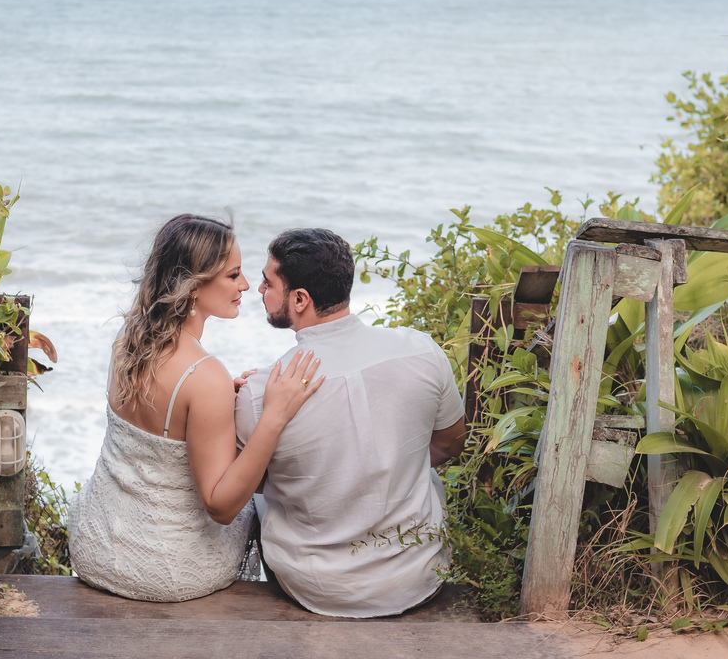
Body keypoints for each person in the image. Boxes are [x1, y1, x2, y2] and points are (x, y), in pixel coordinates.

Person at [67, 214, 324, 602]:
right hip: (165, 570)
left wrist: (218, 400)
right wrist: (274, 416)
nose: (245, 286)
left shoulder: (130, 338)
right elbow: (220, 507)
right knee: (260, 502)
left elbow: (159, 420)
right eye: (233, 275)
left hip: (94, 546)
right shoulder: (205, 377)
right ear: (193, 285)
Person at [235, 227, 467, 618]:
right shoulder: (421, 351)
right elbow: (449, 444)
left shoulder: (259, 394)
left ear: (300, 299)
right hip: (418, 576)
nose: (258, 289)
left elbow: (249, 482)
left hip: (317, 588)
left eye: (267, 281)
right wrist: (378, 473)